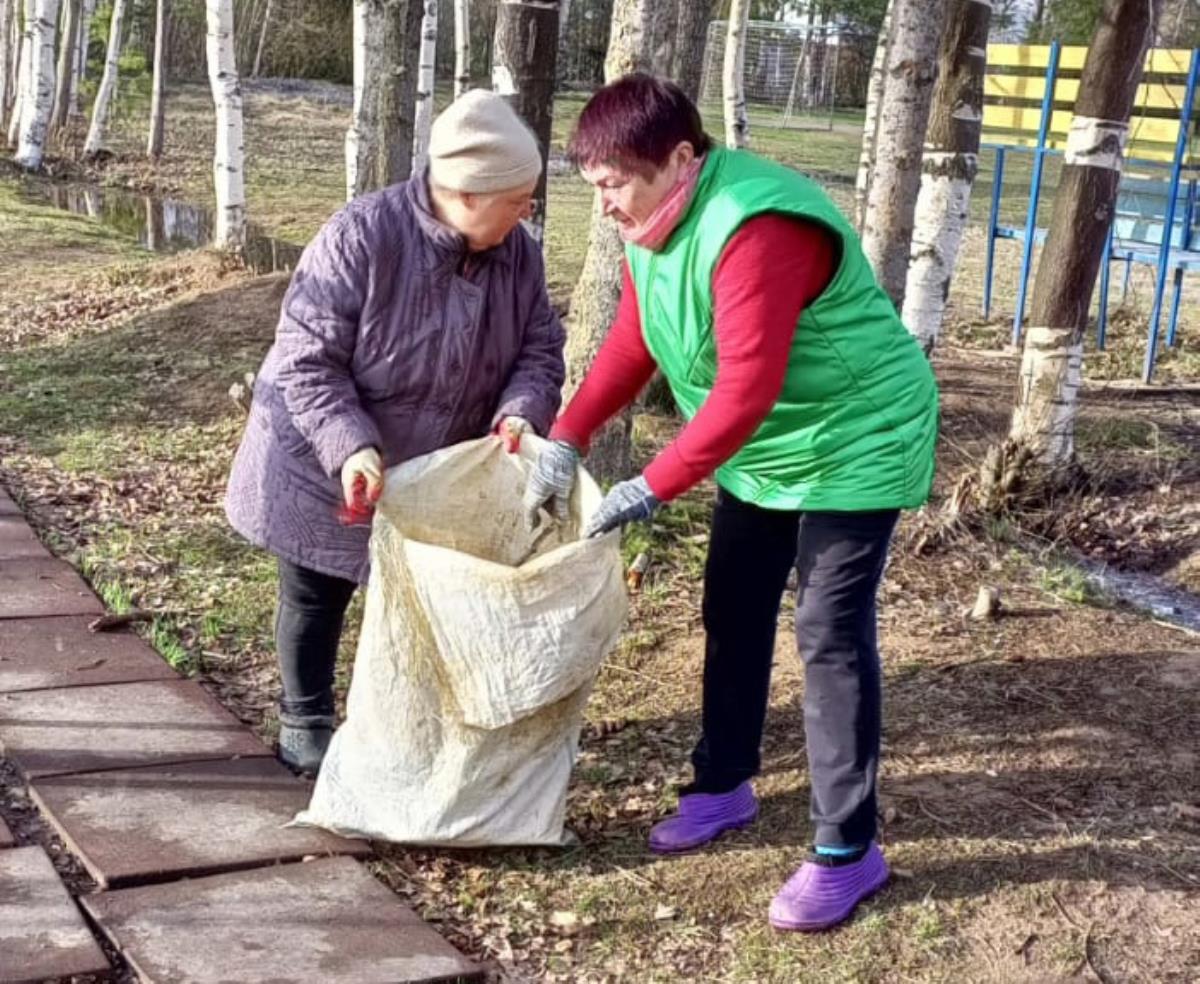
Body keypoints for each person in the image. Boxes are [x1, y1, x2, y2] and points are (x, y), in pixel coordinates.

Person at [523, 74, 938, 933]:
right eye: (593, 188)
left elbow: (745, 390)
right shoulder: (653, 220)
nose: (604, 207)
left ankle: (847, 848)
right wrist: (567, 436)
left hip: (856, 436)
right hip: (767, 447)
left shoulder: (758, 226)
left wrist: (652, 485)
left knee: (828, 632)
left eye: (615, 186)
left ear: (681, 159)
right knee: (733, 608)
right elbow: (638, 337)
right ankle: (723, 784)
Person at [226, 90, 566, 774]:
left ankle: (399, 722)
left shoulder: (519, 255)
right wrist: (350, 443)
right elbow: (306, 355)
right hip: (323, 454)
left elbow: (539, 347)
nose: (528, 212)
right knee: (315, 590)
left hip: (434, 473)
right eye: (518, 199)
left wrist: (521, 412)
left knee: (415, 601)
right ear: (469, 194)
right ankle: (306, 720)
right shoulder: (362, 236)